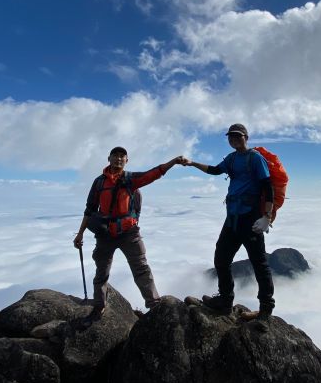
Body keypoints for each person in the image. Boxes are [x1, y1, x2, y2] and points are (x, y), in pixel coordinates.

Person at [73, 147, 184, 319]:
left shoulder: (131, 179)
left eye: (122, 156)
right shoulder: (99, 183)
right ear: (108, 158)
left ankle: (154, 305)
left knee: (141, 268)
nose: (118, 159)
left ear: (126, 160)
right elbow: (89, 210)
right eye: (115, 156)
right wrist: (79, 234)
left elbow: (154, 173)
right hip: (105, 234)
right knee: (102, 271)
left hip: (129, 233)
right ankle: (99, 306)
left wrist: (173, 162)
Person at [182, 123, 275, 320]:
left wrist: (266, 217)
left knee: (259, 264)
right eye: (231, 137)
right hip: (232, 218)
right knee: (221, 259)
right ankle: (225, 301)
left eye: (238, 136)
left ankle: (266, 310)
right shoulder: (232, 159)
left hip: (250, 219)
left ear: (246, 137)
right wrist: (192, 163)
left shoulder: (256, 159)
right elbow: (215, 170)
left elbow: (268, 187)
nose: (234, 139)